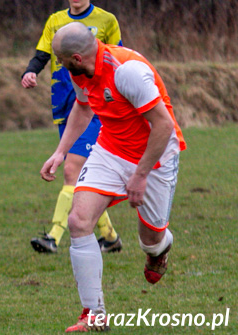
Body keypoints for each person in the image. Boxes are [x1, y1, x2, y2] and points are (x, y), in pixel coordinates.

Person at [40, 22, 185, 332]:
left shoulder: (127, 71)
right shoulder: (79, 71)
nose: (59, 64)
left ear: (76, 57)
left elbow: (163, 126)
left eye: (60, 59)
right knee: (79, 220)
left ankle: (159, 250)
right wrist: (60, 152)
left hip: (155, 154)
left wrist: (141, 174)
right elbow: (82, 108)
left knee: (151, 239)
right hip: (111, 148)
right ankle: (94, 313)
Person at [22, 0, 123, 255]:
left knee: (72, 170)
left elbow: (117, 60)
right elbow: (42, 53)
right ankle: (110, 236)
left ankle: (53, 235)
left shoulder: (106, 20)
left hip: (95, 108)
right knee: (81, 175)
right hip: (64, 107)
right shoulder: (55, 20)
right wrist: (30, 72)